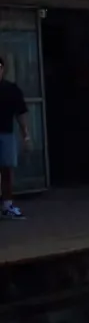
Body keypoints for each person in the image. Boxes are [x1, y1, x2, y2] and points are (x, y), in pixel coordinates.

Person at [0, 56, 32, 220]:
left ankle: (7, 206)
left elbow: (20, 113)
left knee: (6, 171)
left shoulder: (11, 89)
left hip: (6, 134)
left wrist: (25, 135)